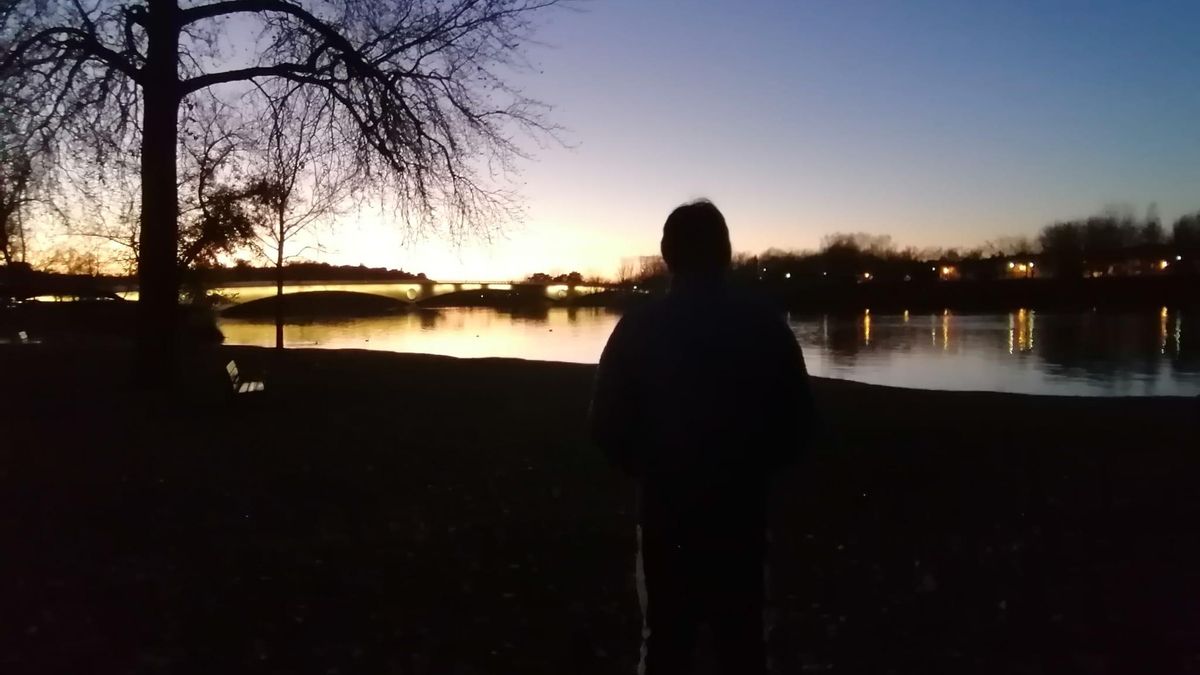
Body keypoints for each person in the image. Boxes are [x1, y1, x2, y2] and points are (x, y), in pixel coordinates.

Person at [589, 199, 816, 675]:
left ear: (668, 255)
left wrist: (651, 468)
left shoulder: (639, 328)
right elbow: (798, 423)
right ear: (726, 253)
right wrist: (753, 468)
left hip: (666, 509)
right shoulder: (764, 326)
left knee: (667, 640)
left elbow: (606, 426)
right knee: (743, 640)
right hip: (741, 509)